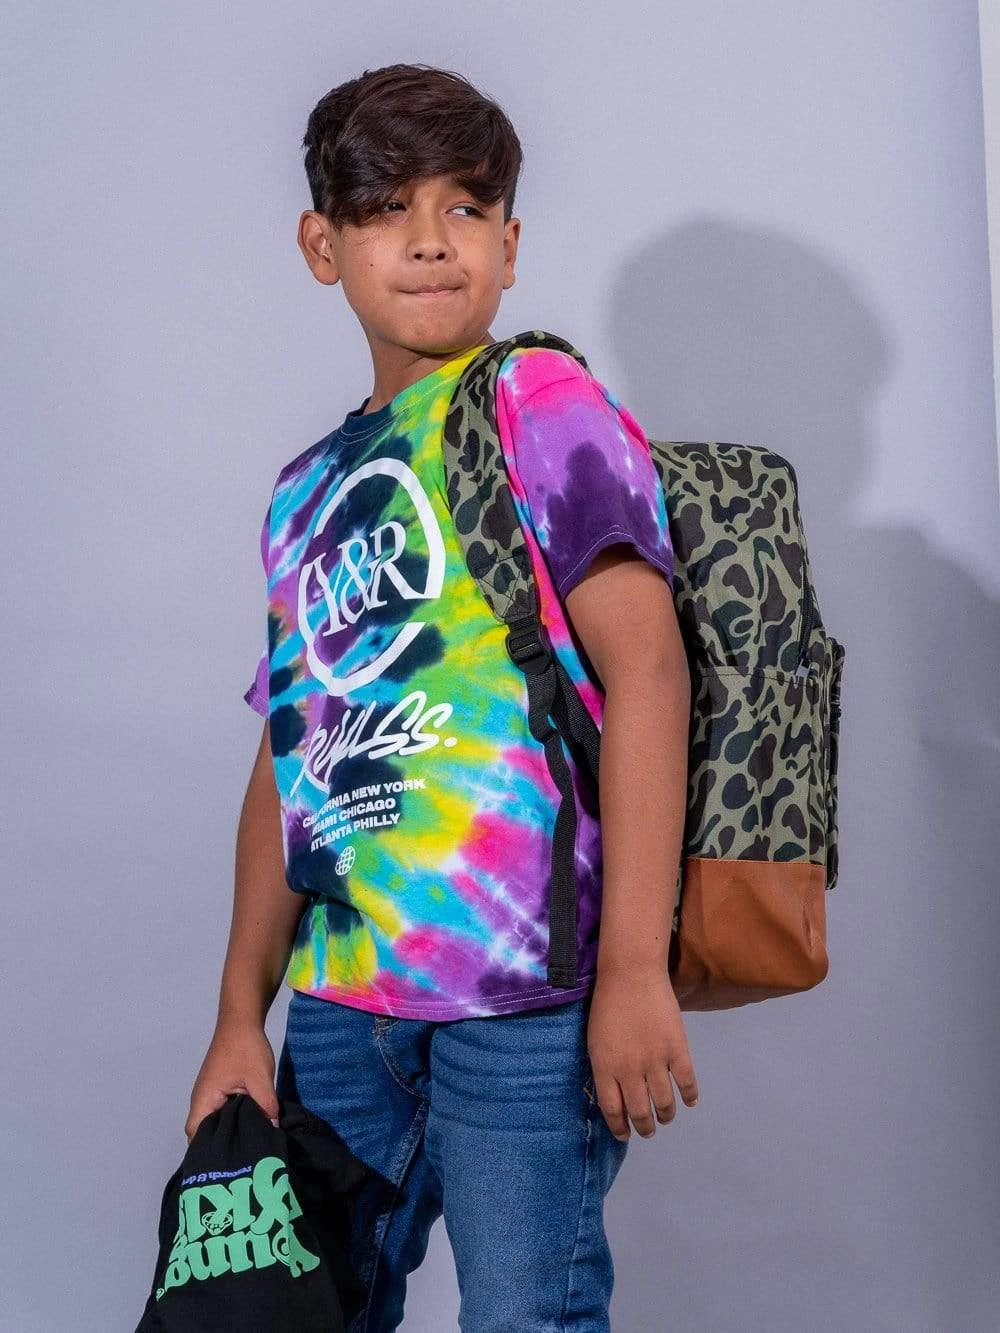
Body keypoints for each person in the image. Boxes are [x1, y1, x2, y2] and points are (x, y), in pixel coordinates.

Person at [185, 61, 698, 1332]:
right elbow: (287, 757)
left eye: (465, 207)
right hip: (343, 1004)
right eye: (385, 208)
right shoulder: (304, 491)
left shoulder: (540, 403)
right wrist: (240, 1015)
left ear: (509, 244)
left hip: (524, 1009)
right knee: (308, 1315)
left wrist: (634, 967)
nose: (429, 240)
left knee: (527, 1316)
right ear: (323, 245)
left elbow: (647, 671)